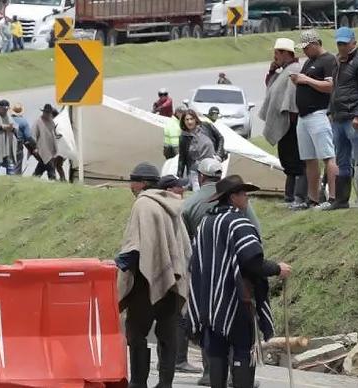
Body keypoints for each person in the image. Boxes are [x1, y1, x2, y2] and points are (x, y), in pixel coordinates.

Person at [188, 175, 292, 388]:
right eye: (244, 193)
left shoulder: (206, 223)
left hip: (208, 302)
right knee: (244, 350)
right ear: (233, 197)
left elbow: (196, 262)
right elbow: (253, 262)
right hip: (236, 300)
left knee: (216, 350)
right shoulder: (238, 223)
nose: (246, 198)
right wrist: (277, 268)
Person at [116, 162, 191, 388]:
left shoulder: (143, 204)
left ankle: (139, 382)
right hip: (171, 279)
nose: (130, 185)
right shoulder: (171, 203)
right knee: (167, 333)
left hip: (144, 282)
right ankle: (165, 384)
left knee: (136, 333)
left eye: (132, 180)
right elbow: (184, 246)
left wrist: (116, 266)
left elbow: (135, 246)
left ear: (140, 183)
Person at [327, 27, 358, 210]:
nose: (341, 47)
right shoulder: (338, 61)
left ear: (353, 42)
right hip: (339, 117)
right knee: (342, 160)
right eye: (339, 43)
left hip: (354, 117)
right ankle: (342, 200)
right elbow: (335, 89)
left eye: (344, 43)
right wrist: (330, 111)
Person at [291, 29, 338, 210]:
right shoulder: (309, 61)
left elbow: (330, 86)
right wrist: (299, 81)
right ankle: (313, 198)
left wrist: (306, 80)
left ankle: (333, 196)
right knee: (309, 158)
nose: (305, 51)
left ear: (316, 44)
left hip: (318, 113)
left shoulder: (328, 60)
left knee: (327, 155)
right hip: (304, 115)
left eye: (307, 48)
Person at [259, 38, 306, 206]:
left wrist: (290, 122)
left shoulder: (294, 70)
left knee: (294, 160)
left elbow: (291, 98)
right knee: (287, 160)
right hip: (287, 125)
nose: (275, 56)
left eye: (277, 53)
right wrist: (272, 72)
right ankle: (290, 195)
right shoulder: (284, 71)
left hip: (291, 124)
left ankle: (295, 196)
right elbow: (272, 88)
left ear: (287, 53)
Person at [178, 110, 224, 191]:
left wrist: (219, 155)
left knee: (213, 190)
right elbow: (182, 158)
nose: (189, 122)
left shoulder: (206, 126)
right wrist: (179, 178)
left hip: (211, 165)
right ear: (183, 122)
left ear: (195, 119)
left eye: (191, 119)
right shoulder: (184, 137)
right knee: (198, 192)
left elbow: (220, 138)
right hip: (195, 168)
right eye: (187, 120)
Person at [32, 104, 62, 180]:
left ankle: (33, 179)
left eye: (49, 112)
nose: (48, 114)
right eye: (46, 112)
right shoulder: (38, 122)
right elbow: (33, 136)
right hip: (42, 149)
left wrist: (57, 137)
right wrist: (35, 148)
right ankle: (52, 180)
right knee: (51, 168)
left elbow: (53, 133)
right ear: (43, 112)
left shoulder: (51, 121)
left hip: (50, 149)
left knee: (40, 168)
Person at [10, 103, 34, 175]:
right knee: (17, 163)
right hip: (17, 145)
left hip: (6, 144)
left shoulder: (7, 120)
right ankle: (15, 178)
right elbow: (28, 136)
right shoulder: (23, 122)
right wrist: (34, 146)